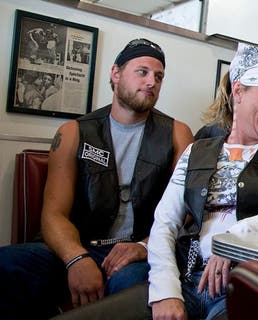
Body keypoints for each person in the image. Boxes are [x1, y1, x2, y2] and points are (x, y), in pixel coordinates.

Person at [0, 38, 194, 319]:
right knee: (6, 264)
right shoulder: (72, 132)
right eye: (142, 72)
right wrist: (76, 258)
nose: (152, 81)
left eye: (159, 76)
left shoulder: (178, 133)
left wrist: (144, 246)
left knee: (134, 287)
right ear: (116, 74)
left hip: (137, 252)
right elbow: (53, 215)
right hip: (77, 245)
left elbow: (186, 211)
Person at [147, 43, 258, 319]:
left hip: (248, 284)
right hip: (187, 279)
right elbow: (164, 224)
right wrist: (165, 291)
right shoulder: (197, 150)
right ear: (238, 91)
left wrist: (235, 237)